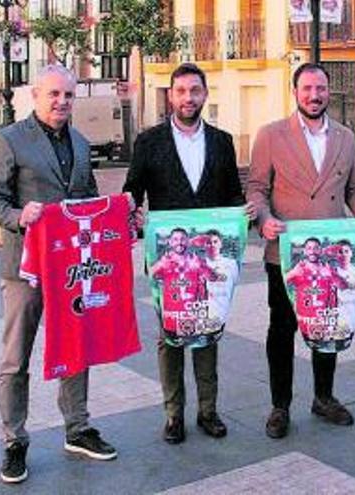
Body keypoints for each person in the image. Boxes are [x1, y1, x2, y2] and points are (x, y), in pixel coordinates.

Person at [0, 64, 116, 485]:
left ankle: (77, 428)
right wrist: (19, 217)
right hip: (24, 270)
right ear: (35, 96)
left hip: (70, 271)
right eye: (54, 95)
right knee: (15, 358)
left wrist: (115, 224)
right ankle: (14, 441)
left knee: (76, 349)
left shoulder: (80, 141)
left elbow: (89, 199)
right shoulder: (9, 140)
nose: (61, 102)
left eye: (68, 96)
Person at [246, 63, 355, 439]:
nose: (314, 95)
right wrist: (263, 219)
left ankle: (323, 397)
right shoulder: (271, 135)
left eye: (321, 88)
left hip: (329, 255)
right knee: (282, 328)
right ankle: (280, 406)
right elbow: (256, 188)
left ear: (328, 92)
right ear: (295, 92)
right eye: (307, 88)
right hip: (286, 254)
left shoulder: (344, 136)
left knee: (328, 325)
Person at [123, 63, 252, 444]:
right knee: (171, 336)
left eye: (195, 91)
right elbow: (133, 190)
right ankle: (173, 415)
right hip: (168, 258)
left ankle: (208, 411)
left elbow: (232, 193)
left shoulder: (222, 141)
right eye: (181, 91)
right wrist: (134, 211)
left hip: (209, 260)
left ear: (205, 94)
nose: (188, 98)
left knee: (208, 331)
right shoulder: (149, 142)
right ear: (171, 96)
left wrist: (241, 212)